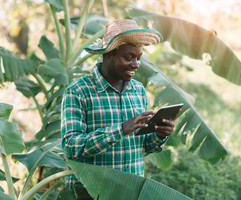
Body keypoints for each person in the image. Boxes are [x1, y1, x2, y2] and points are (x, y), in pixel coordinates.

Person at [61, 19, 177, 194]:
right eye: (128, 57)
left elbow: (142, 147)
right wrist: (120, 129)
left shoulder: (138, 90)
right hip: (91, 193)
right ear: (109, 54)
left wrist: (160, 135)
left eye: (138, 58)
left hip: (131, 192)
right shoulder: (78, 92)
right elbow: (71, 147)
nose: (136, 64)